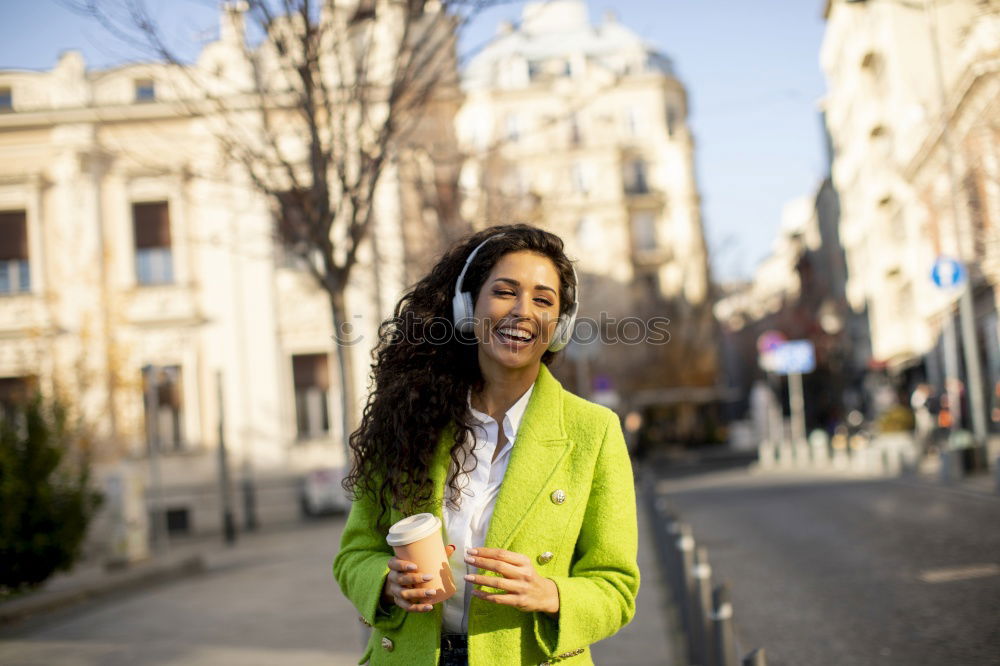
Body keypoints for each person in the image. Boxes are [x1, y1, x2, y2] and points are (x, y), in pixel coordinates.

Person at [333, 224, 639, 665]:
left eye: (543, 299)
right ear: (467, 307)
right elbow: (355, 553)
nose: (522, 311)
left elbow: (616, 586)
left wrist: (550, 593)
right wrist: (385, 582)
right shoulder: (410, 419)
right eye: (504, 292)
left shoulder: (594, 431)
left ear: (560, 325)